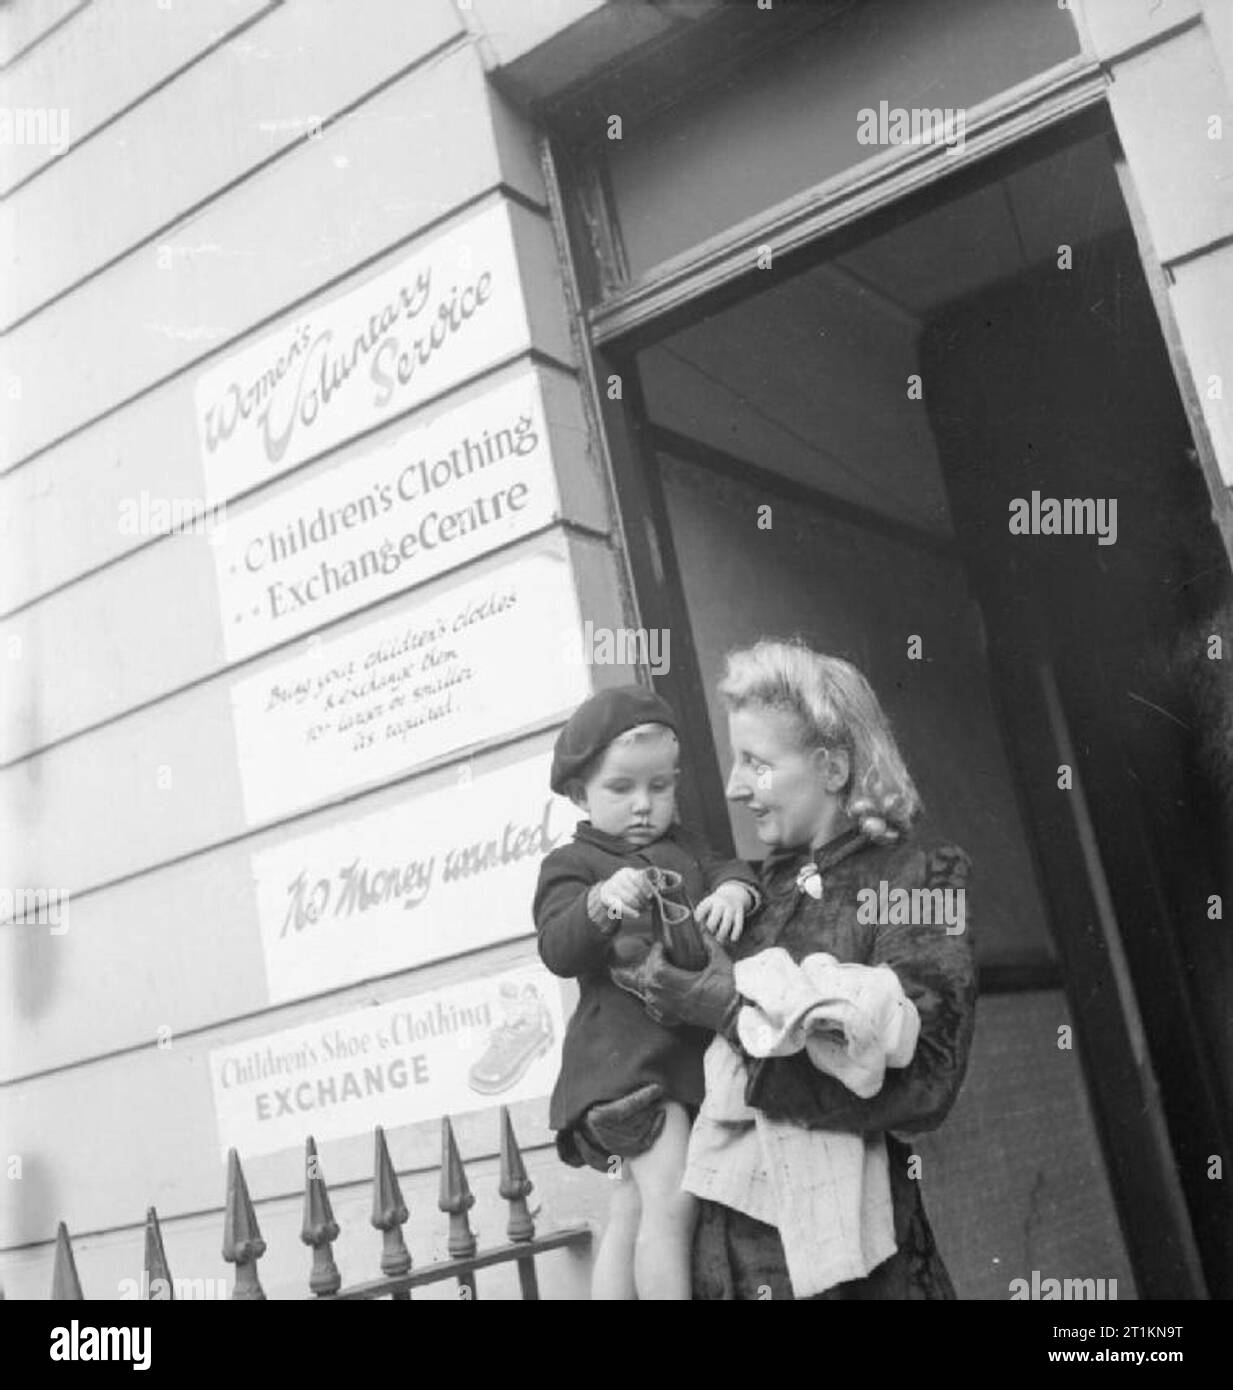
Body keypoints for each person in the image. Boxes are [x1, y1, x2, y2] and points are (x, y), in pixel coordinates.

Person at [613, 641, 977, 1299]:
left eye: (755, 762)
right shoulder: (742, 892)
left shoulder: (915, 876)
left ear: (832, 767)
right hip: (717, 1268)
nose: (732, 786)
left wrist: (725, 1011)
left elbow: (926, 1082)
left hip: (849, 1276)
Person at [532, 684, 761, 1300]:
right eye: (622, 788)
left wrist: (734, 892)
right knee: (674, 1199)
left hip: (663, 1066)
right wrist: (602, 903)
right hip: (626, 1071)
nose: (644, 805)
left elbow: (727, 868)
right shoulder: (574, 863)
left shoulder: (684, 845)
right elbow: (557, 947)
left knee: (631, 1203)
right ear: (580, 794)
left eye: (660, 787)